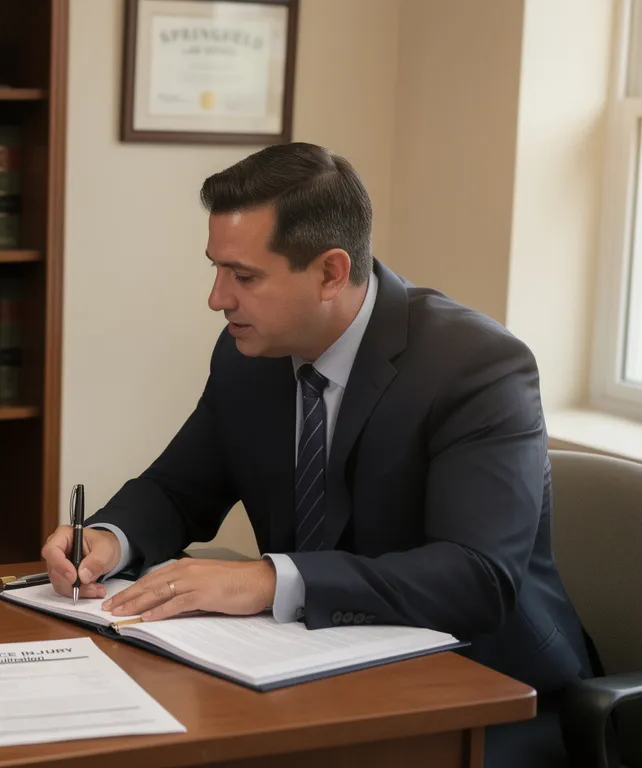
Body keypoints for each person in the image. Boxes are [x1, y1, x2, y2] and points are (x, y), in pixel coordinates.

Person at [41, 142, 592, 766]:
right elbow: (178, 489)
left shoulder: (476, 366)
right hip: (313, 673)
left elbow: (476, 577)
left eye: (244, 276)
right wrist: (110, 539)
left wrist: (267, 579)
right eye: (216, 269)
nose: (217, 298)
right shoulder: (248, 355)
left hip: (485, 694)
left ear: (331, 272)